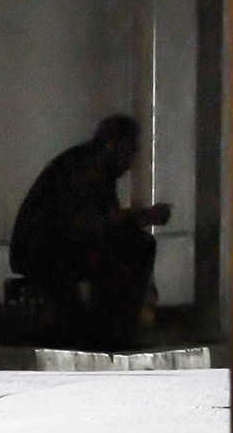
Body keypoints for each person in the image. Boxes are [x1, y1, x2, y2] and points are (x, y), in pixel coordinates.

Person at [9, 114, 172, 351]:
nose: (131, 162)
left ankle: (106, 328)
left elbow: (99, 223)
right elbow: (95, 225)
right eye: (131, 151)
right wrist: (142, 217)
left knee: (128, 246)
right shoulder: (88, 170)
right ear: (115, 145)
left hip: (48, 247)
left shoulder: (87, 164)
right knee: (135, 248)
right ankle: (110, 331)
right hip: (44, 251)